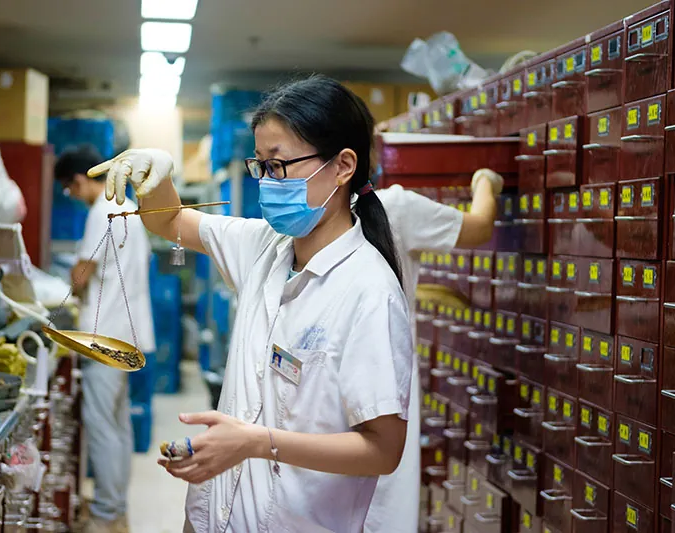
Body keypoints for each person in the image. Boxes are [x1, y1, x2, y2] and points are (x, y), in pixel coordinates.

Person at [91, 75, 413, 533]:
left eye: (279, 166)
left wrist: (257, 443)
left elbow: (383, 449)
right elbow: (172, 223)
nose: (267, 183)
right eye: (260, 166)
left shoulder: (369, 293)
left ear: (343, 167)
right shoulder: (267, 246)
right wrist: (158, 172)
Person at [365, 166, 503, 533]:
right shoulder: (397, 206)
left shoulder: (385, 209)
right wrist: (485, 181)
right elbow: (480, 225)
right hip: (384, 387)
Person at [54, 145, 157, 533]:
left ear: (79, 181)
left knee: (101, 424)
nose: (72, 196)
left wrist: (69, 285)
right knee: (117, 424)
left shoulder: (101, 212)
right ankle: (116, 508)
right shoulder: (128, 206)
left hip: (104, 336)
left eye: (70, 188)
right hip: (127, 335)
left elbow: (82, 274)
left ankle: (105, 512)